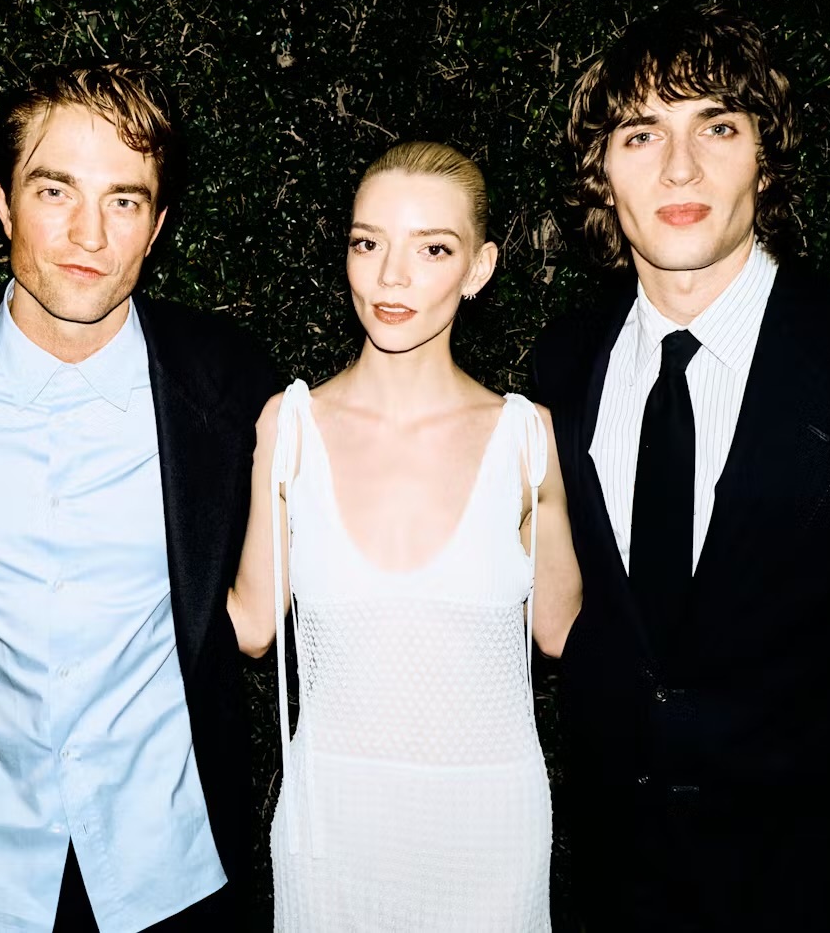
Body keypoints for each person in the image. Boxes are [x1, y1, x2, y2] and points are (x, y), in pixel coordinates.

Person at [531, 5, 830, 931]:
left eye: (717, 127)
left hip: (825, 894)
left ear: (766, 158)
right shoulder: (564, 361)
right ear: (601, 174)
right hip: (620, 891)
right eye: (641, 134)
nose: (680, 168)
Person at [0, 62, 275, 933]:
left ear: (157, 226)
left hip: (177, 876)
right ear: (2, 201)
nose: (88, 233)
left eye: (124, 200)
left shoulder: (234, 386)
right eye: (55, 190)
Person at [228, 141, 583, 931]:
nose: (391, 277)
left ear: (479, 268)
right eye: (368, 243)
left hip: (490, 833)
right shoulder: (289, 427)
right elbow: (250, 625)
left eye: (432, 249)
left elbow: (565, 632)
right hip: (333, 831)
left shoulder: (529, 440)